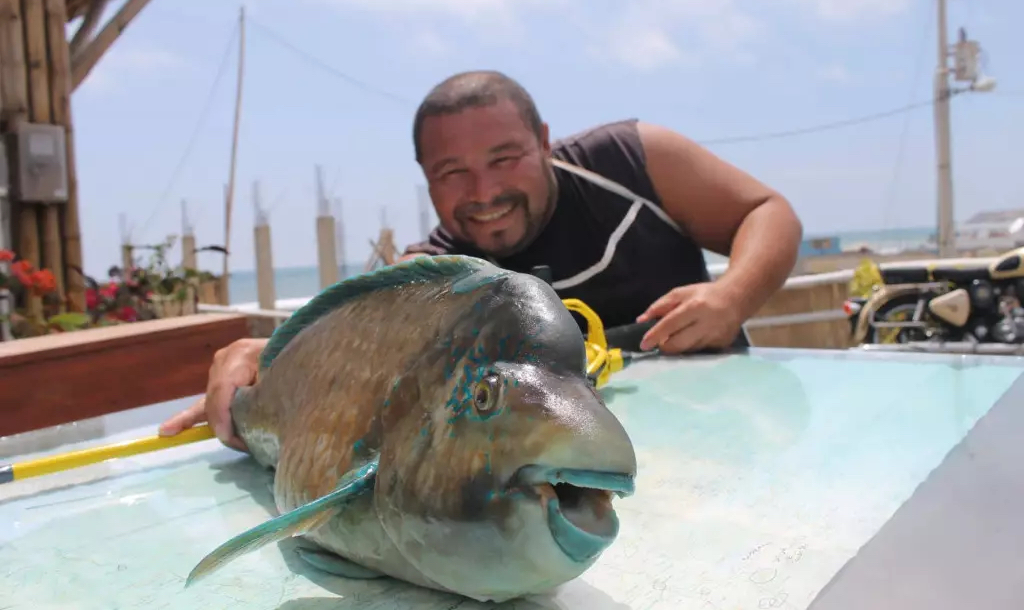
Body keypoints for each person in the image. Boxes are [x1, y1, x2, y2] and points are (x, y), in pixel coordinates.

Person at [159, 70, 803, 450]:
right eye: (452, 172)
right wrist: (265, 363)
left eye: (504, 159)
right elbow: (349, 342)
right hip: (567, 471)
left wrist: (733, 296)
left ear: (545, 141)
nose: (485, 193)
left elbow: (768, 211)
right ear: (424, 179)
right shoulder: (432, 273)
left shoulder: (633, 160)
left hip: (727, 428)